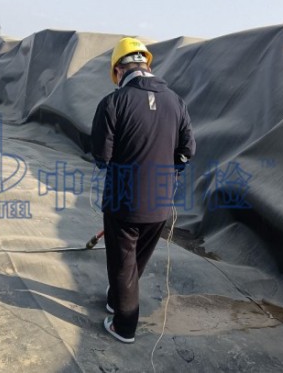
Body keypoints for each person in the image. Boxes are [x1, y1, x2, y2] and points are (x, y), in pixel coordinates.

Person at [91, 37, 196, 343]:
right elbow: (187, 151)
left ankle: (124, 326)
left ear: (118, 70)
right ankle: (116, 300)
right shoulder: (176, 101)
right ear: (147, 65)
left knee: (123, 263)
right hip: (161, 203)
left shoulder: (113, 102)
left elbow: (102, 156)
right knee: (134, 262)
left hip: (123, 201)